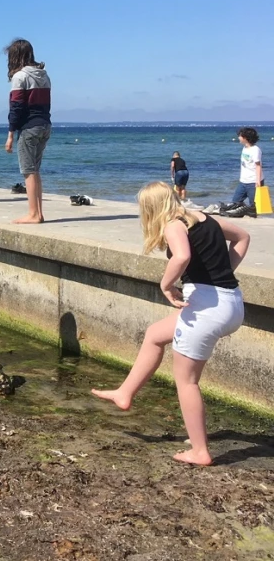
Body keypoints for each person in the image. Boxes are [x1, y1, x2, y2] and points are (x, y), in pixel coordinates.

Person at [92, 182, 249, 466]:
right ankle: (125, 393)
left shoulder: (174, 225)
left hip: (206, 309)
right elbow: (243, 237)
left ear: (151, 209)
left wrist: (165, 284)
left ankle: (200, 451)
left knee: (186, 381)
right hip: (230, 303)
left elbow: (182, 256)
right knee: (155, 334)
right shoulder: (204, 217)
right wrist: (221, 274)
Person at [4, 38, 52, 224]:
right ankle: (38, 213)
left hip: (29, 127)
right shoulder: (44, 75)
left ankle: (33, 213)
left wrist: (10, 134)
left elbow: (16, 108)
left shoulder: (20, 77)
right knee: (35, 170)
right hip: (45, 124)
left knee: (28, 171)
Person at [222, 127, 264, 218]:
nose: (238, 138)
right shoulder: (245, 148)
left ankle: (253, 217)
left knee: (254, 206)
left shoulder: (255, 150)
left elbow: (258, 165)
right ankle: (241, 212)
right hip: (243, 181)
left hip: (253, 181)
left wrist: (258, 181)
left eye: (240, 136)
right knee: (236, 202)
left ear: (246, 137)